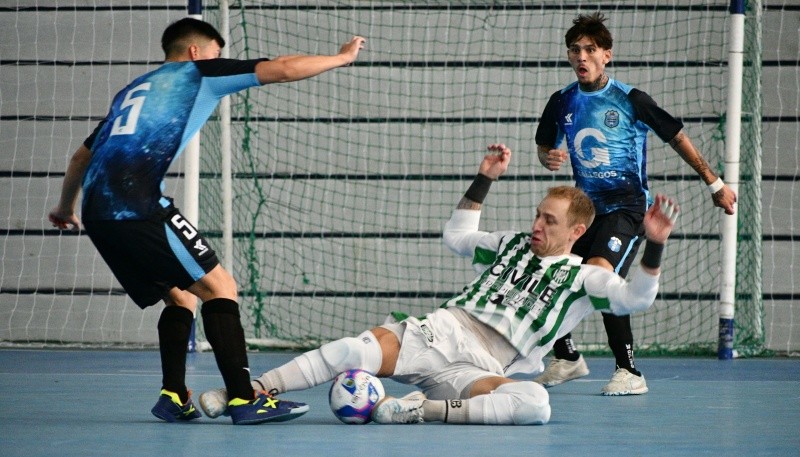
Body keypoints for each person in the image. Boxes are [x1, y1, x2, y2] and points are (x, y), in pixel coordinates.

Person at [197, 144, 679, 425]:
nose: (536, 225)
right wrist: (484, 179)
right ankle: (250, 389)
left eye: (548, 221)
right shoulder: (511, 244)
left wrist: (652, 244)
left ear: (576, 232)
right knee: (349, 350)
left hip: (483, 365)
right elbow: (457, 236)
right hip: (443, 331)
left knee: (535, 403)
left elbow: (636, 297)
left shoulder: (583, 277)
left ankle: (417, 410)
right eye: (537, 214)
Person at [47, 18, 366, 425]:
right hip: (138, 204)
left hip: (97, 211)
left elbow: (80, 157)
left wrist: (63, 207)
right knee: (221, 287)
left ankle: (174, 396)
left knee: (182, 296)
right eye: (218, 51)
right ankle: (243, 399)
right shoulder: (199, 72)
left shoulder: (131, 91)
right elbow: (283, 68)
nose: (222, 59)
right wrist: (340, 58)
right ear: (196, 51)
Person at [533, 12, 736, 395]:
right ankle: (567, 358)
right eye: (575, 50)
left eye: (590, 50)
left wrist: (715, 183)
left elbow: (676, 137)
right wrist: (549, 158)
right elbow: (545, 146)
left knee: (601, 273)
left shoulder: (631, 100)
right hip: (583, 210)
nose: (582, 57)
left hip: (626, 208)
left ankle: (629, 372)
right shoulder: (561, 101)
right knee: (549, 269)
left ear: (606, 55)